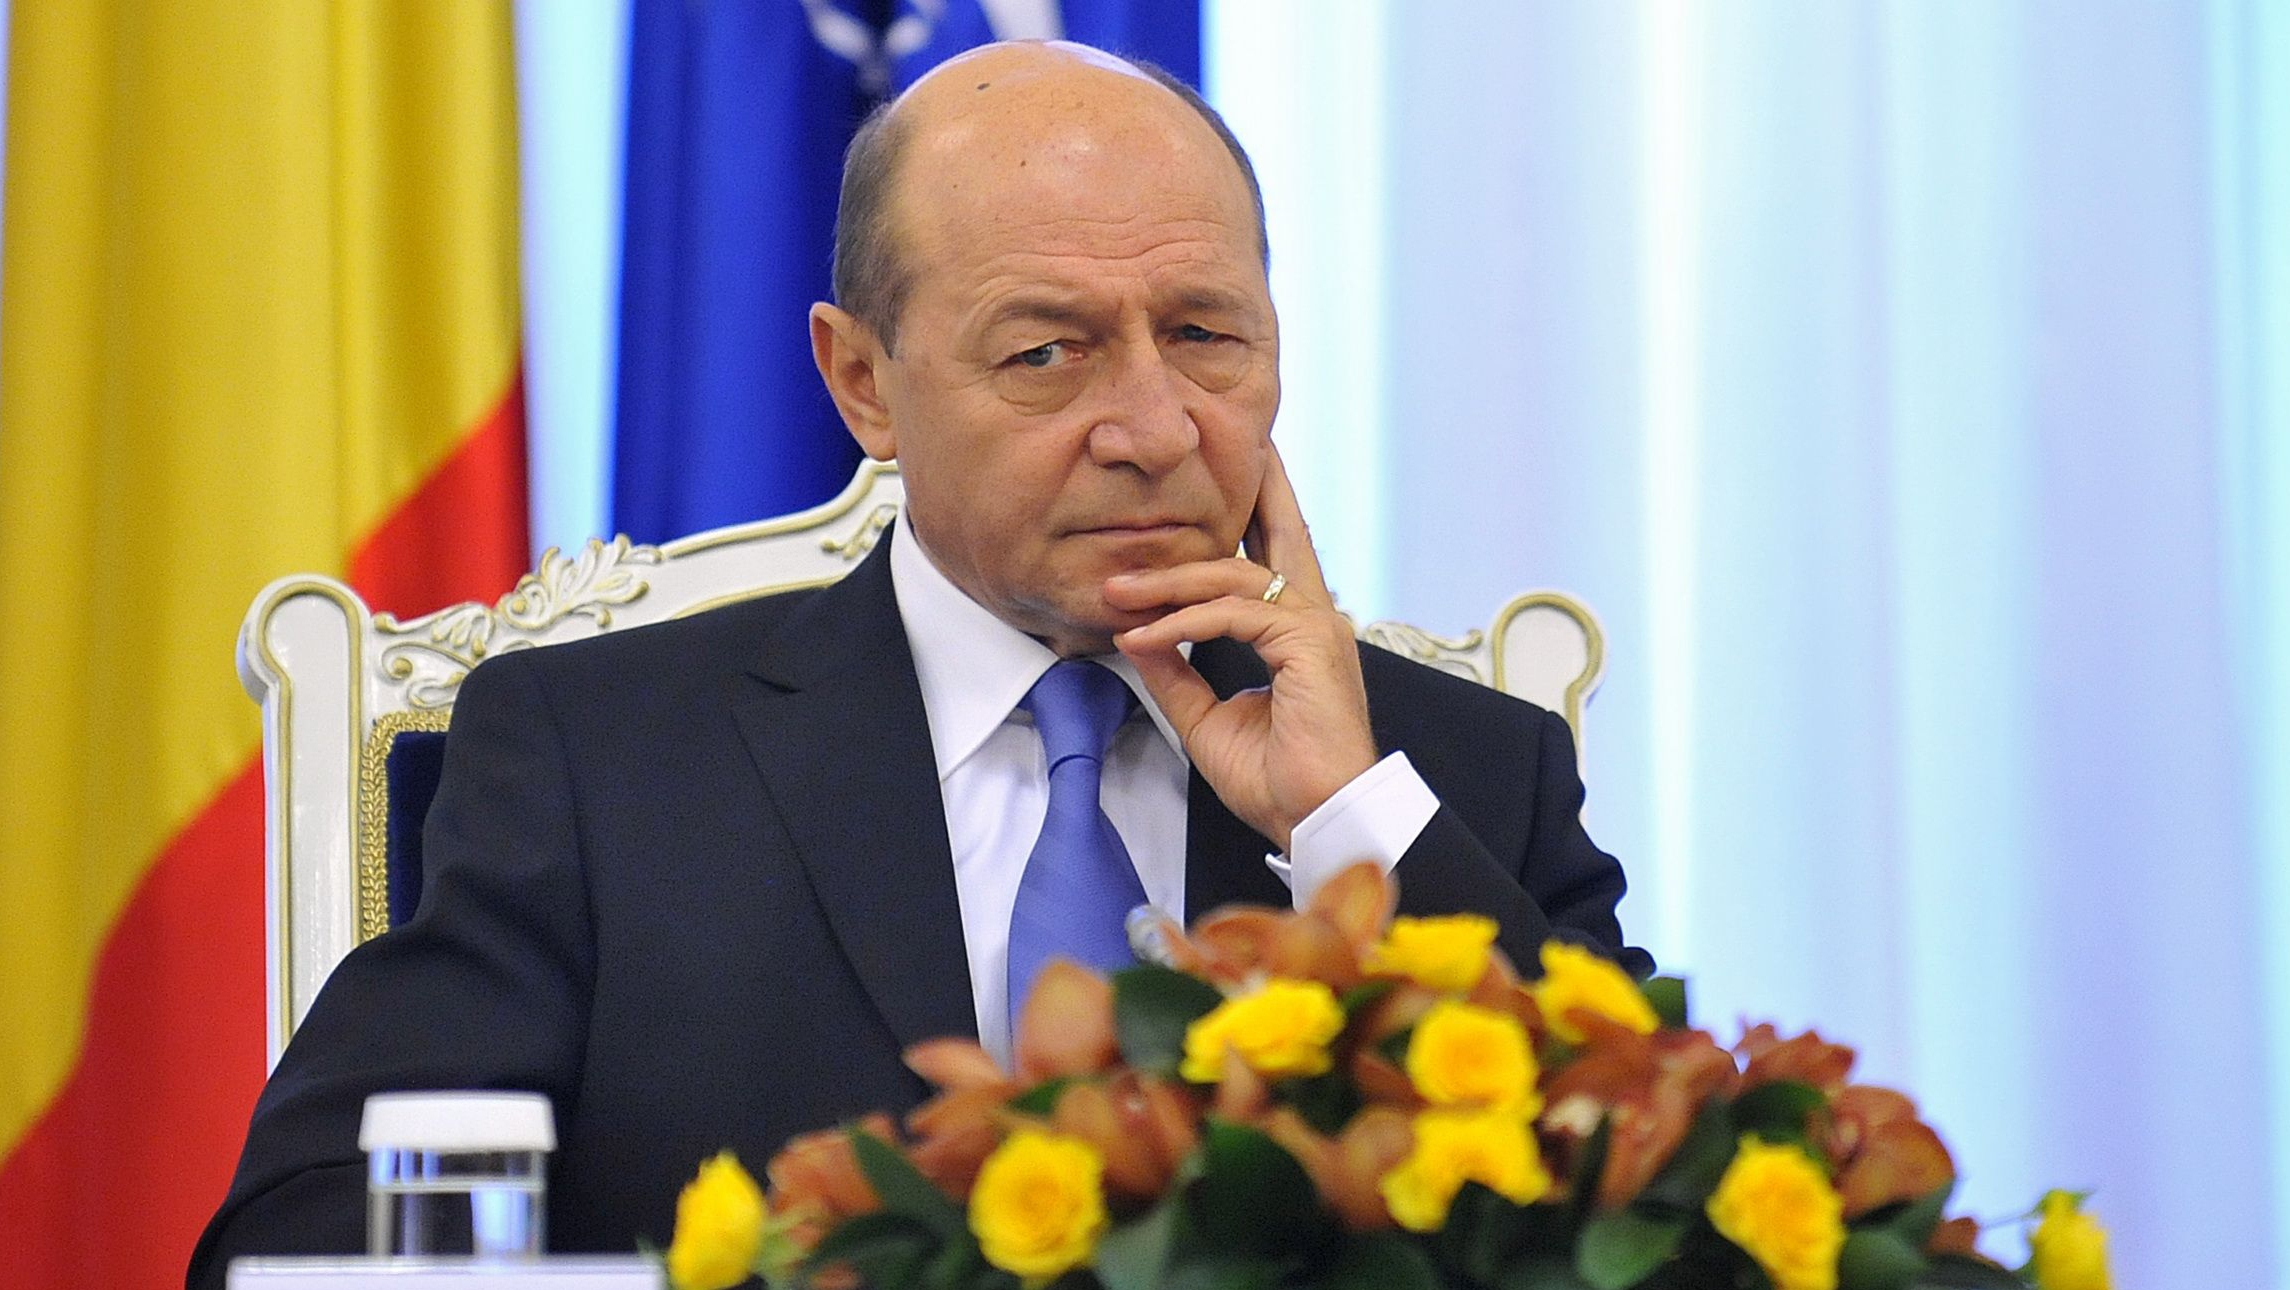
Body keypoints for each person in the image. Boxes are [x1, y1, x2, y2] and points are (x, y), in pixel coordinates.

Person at [188, 41, 1647, 1286]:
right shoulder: (601, 761)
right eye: (1046, 354)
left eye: (1206, 335)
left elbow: (1669, 1204)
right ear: (861, 382)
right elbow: (303, 1238)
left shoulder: (1452, 772)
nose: (1154, 428)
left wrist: (1345, 820)